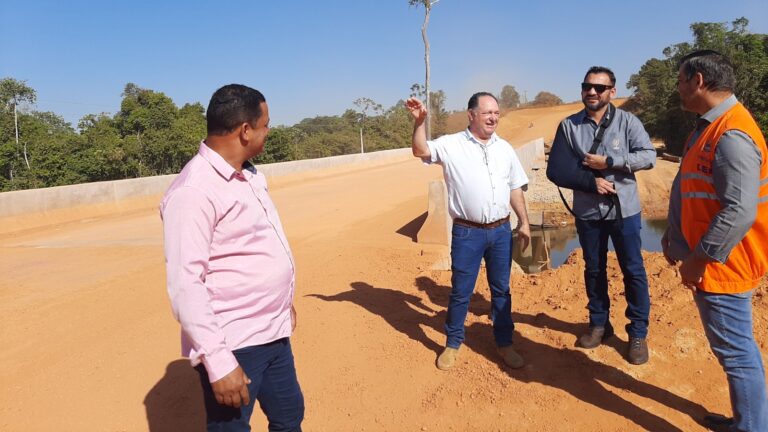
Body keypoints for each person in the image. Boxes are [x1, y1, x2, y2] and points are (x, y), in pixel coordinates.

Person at [160, 84, 304, 431]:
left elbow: (255, 249)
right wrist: (219, 362)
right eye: (265, 124)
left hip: (273, 332)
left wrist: (282, 302)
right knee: (232, 427)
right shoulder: (193, 192)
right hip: (235, 342)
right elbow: (185, 285)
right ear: (245, 130)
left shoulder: (250, 174)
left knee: (288, 417)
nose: (268, 132)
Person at [662, 50, 768, 432]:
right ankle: (747, 422)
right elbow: (690, 189)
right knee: (736, 349)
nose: (678, 88)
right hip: (716, 261)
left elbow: (739, 213)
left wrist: (698, 260)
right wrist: (674, 233)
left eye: (680, 81)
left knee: (737, 354)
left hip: (725, 265)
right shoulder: (706, 127)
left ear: (698, 81)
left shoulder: (732, 134)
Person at [406, 92, 531, 370]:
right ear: (471, 114)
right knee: (461, 291)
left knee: (501, 290)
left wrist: (523, 221)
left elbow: (514, 187)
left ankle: (504, 343)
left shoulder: (505, 148)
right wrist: (420, 122)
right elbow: (420, 151)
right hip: (467, 233)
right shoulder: (451, 145)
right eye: (487, 113)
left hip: (501, 231)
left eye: (496, 113)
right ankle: (453, 343)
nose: (493, 118)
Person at [546, 66, 656, 365]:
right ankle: (598, 324)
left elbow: (648, 156)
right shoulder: (569, 127)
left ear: (611, 92)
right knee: (593, 268)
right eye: (587, 86)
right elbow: (556, 169)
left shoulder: (627, 122)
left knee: (633, 270)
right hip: (587, 212)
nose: (591, 92)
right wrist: (590, 182)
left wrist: (611, 161)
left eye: (598, 87)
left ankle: (637, 333)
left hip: (626, 211)